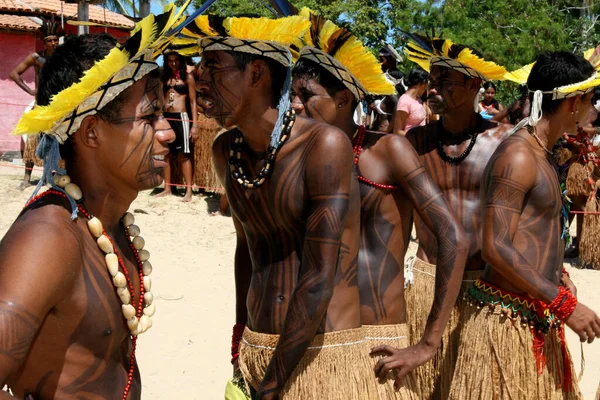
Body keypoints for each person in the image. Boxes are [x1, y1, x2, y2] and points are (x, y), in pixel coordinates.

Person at [1, 4, 186, 398]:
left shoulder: (107, 224)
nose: (167, 134)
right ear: (91, 133)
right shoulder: (48, 239)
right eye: (149, 117)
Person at [195, 15, 378, 399]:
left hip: (318, 356)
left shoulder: (323, 147)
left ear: (256, 73)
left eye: (213, 65)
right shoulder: (225, 151)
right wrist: (239, 341)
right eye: (201, 65)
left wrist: (272, 387)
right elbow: (247, 249)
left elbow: (318, 277)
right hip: (256, 351)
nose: (198, 76)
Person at [291, 12, 469, 398]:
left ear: (342, 100)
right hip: (313, 339)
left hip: (378, 343)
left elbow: (453, 236)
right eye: (291, 95)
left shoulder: (386, 151)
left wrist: (427, 343)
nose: (294, 106)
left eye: (305, 96)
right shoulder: (296, 158)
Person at [449, 51, 600, 400]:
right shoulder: (518, 156)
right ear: (573, 102)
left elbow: (531, 231)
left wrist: (558, 274)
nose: (593, 111)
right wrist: (564, 305)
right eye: (591, 101)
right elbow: (496, 246)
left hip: (535, 312)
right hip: (505, 321)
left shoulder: (544, 153)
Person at [402, 34, 514, 399]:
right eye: (431, 80)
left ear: (474, 84)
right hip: (427, 281)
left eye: (444, 81)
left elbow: (529, 217)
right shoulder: (413, 143)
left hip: (483, 290)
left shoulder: (505, 142)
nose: (432, 88)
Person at [9, 18, 62, 190]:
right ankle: (27, 178)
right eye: (49, 41)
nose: (53, 43)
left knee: (58, 140)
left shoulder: (62, 58)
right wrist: (30, 91)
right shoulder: (35, 58)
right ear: (44, 42)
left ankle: (54, 174)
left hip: (58, 104)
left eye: (55, 40)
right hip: (40, 104)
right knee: (32, 140)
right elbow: (14, 74)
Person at [157, 50, 198, 202]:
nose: (173, 63)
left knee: (184, 155)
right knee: (166, 153)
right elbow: (160, 98)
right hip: (166, 117)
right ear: (166, 62)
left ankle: (188, 191)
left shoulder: (188, 78)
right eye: (170, 61)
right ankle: (167, 188)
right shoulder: (164, 78)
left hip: (181, 118)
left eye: (176, 60)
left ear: (181, 61)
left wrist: (194, 126)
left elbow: (193, 102)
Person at [393, 68, 430, 135]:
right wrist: (417, 137)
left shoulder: (418, 99)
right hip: (409, 143)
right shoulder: (405, 101)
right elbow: (397, 132)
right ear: (423, 83)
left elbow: (429, 114)